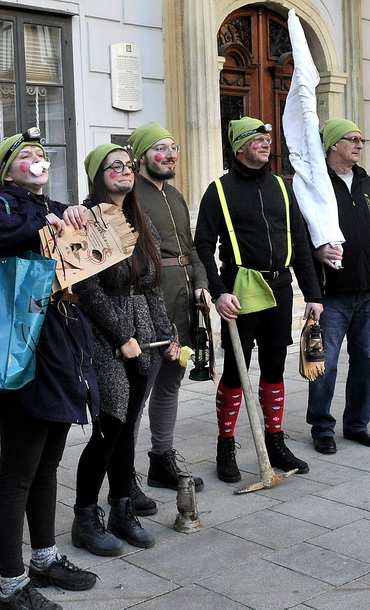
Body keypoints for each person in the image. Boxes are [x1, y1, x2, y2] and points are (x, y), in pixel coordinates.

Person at [0, 129, 99, 610]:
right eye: (26, 155)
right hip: (21, 348)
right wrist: (45, 224)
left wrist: (78, 218)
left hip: (62, 346)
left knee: (48, 464)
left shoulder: (54, 206)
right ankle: (11, 585)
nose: (38, 159)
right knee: (18, 472)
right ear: (7, 170)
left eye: (41, 153)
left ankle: (44, 557)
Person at [194, 117, 323, 483]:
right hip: (239, 290)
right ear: (239, 147)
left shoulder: (282, 187)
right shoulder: (219, 191)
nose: (266, 143)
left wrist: (313, 294)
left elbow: (300, 242)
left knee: (274, 367)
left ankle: (275, 441)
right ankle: (225, 446)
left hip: (280, 288)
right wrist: (219, 292)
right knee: (236, 371)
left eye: (267, 138)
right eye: (257, 139)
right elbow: (203, 245)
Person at [71, 143, 178, 556]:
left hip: (142, 333)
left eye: (128, 165)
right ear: (97, 175)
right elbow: (87, 289)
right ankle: (84, 516)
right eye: (113, 166)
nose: (124, 171)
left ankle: (121, 508)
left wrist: (166, 334)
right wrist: (120, 336)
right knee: (110, 425)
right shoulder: (86, 220)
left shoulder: (138, 219)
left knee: (129, 423)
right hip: (104, 335)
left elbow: (151, 285)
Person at [128, 122, 210, 496]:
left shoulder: (175, 195)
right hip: (149, 308)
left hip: (183, 304)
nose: (170, 155)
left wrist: (202, 284)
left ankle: (161, 460)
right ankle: (123, 473)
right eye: (160, 148)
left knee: (170, 385)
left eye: (173, 148)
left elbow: (190, 249)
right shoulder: (131, 195)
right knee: (138, 393)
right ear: (141, 156)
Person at [305, 119, 370, 455]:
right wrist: (316, 259)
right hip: (333, 294)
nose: (359, 145)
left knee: (368, 357)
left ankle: (357, 425)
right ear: (333, 144)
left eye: (361, 139)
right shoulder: (316, 184)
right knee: (324, 363)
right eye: (352, 139)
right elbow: (301, 235)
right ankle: (322, 427)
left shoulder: (365, 180)